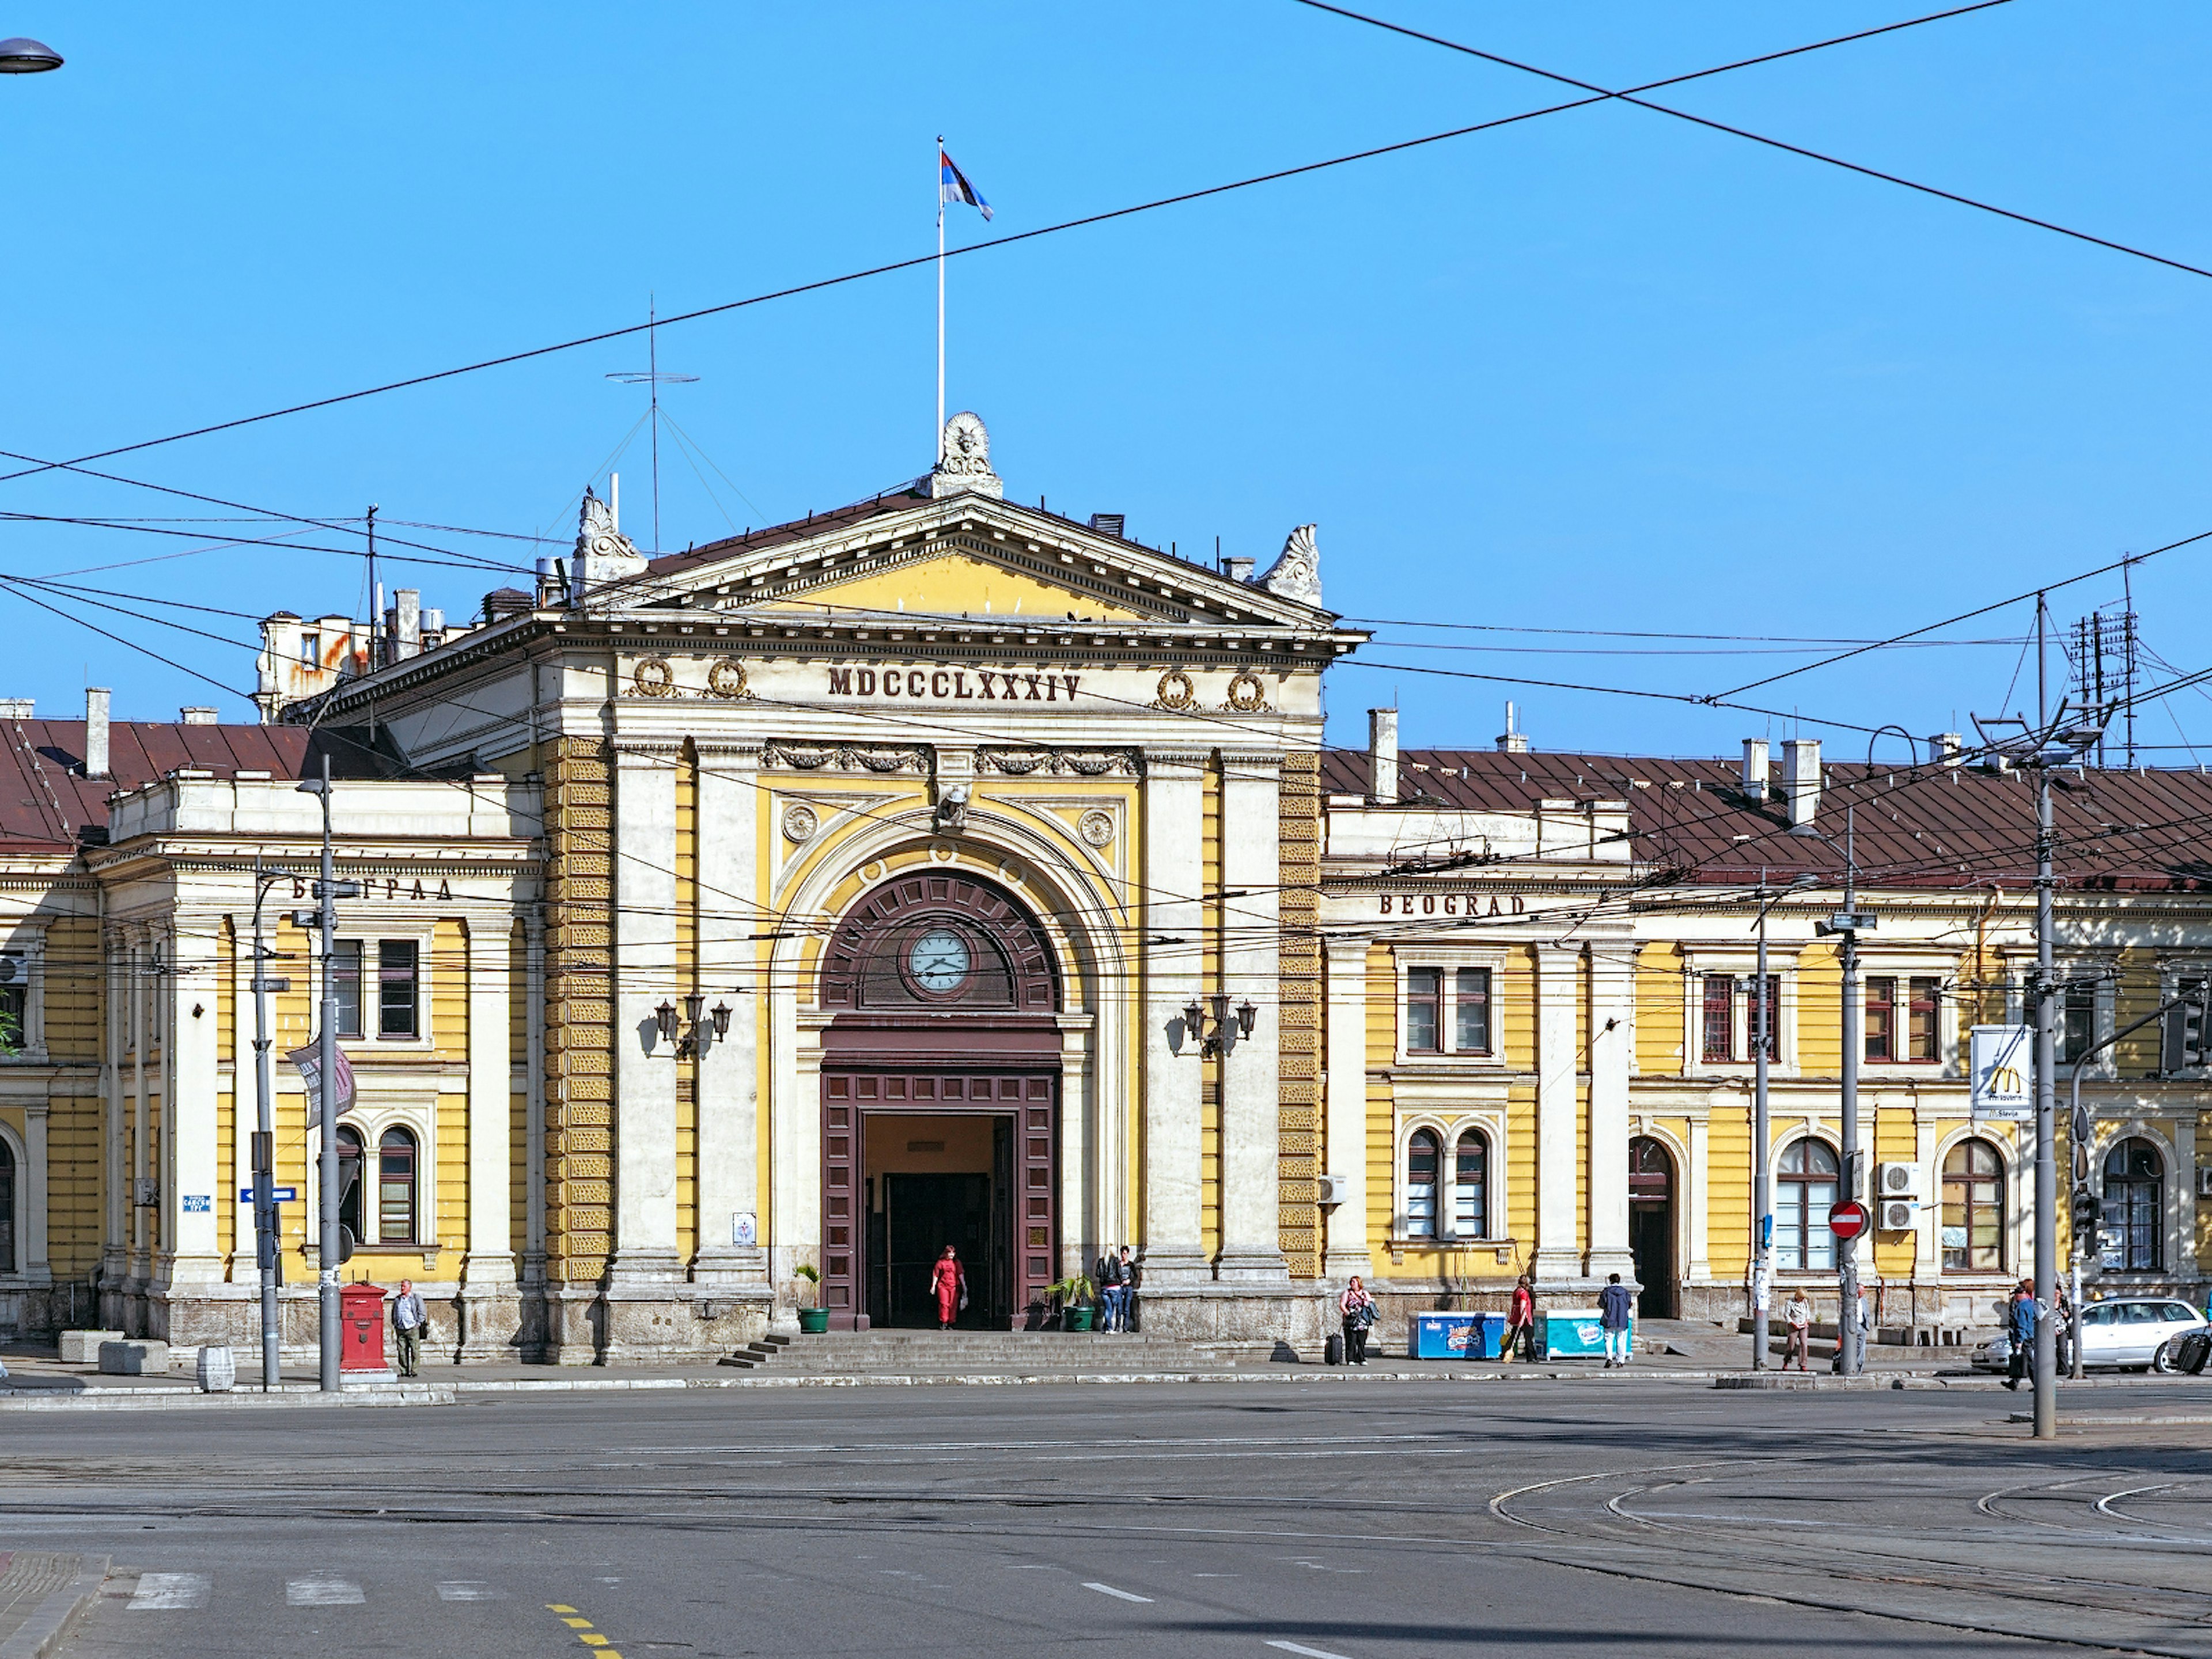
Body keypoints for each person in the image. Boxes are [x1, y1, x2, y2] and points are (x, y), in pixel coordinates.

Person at [2005, 1278, 2038, 1391]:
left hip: (2025, 1338)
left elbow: (2021, 1325)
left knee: (2028, 1361)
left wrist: (2019, 1340)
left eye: (2016, 1295)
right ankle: (2014, 1382)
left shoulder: (2021, 1307)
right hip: (2032, 1335)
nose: (2014, 1298)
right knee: (2022, 1360)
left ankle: (2037, 1384)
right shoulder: (2031, 1304)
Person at [1599, 1272, 1635, 1369]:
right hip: (1622, 1319)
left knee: (1608, 1339)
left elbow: (1601, 1304)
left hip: (1609, 1318)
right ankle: (1620, 1361)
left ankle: (1609, 1358)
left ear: (1610, 1281)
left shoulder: (1606, 1292)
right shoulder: (1625, 1292)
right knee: (1621, 1340)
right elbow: (1629, 1305)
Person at [392, 1278, 426, 1378]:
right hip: (401, 1327)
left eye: (404, 1286)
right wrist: (395, 1323)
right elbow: (394, 1312)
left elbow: (422, 1311)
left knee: (415, 1350)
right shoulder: (397, 1300)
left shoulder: (416, 1298)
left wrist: (419, 1323)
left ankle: (414, 1371)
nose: (402, 1288)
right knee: (402, 1351)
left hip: (412, 1327)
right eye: (401, 1286)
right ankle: (404, 1371)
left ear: (410, 1287)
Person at [1339, 1275, 1375, 1366]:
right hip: (1351, 1320)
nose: (1352, 1284)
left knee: (1362, 1341)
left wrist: (1367, 1303)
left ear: (1359, 1283)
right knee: (1351, 1340)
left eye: (1354, 1282)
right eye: (1351, 1282)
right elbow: (1342, 1304)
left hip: (1363, 1321)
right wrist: (1347, 1313)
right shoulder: (1347, 1293)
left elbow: (1371, 1303)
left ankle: (1361, 1358)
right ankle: (1350, 1359)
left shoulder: (1365, 1293)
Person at [930, 1245, 967, 1331]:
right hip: (943, 1286)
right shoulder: (940, 1263)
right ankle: (944, 1321)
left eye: (953, 1253)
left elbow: (961, 1274)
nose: (952, 1255)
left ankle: (951, 1322)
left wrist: (964, 1286)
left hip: (954, 1286)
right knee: (944, 1303)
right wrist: (933, 1286)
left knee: (953, 1304)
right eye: (950, 1253)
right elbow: (936, 1274)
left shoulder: (957, 1263)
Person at [1503, 1275, 1536, 1362]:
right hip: (1525, 1318)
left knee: (1514, 1336)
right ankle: (1531, 1357)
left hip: (1516, 1316)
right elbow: (1523, 1306)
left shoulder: (1516, 1291)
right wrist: (1522, 1319)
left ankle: (1504, 1353)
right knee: (1528, 1338)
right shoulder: (1524, 1293)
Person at [1097, 1247, 1128, 1333]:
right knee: (1110, 1309)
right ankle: (1109, 1328)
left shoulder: (1101, 1261)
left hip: (1104, 1288)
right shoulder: (1116, 1260)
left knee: (1108, 1309)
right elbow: (1119, 1273)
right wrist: (1122, 1280)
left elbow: (1098, 1273)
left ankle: (1105, 1327)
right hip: (1114, 1287)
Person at [1781, 1290, 1813, 1372]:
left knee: (1804, 1345)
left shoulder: (1805, 1303)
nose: (1803, 1299)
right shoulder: (1790, 1303)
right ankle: (1786, 1361)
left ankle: (1803, 1364)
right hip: (1793, 1326)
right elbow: (1786, 1315)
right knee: (1791, 1346)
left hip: (1803, 1326)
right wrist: (1793, 1323)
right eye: (1801, 1298)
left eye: (1804, 1298)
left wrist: (1807, 1321)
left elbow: (1808, 1313)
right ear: (1797, 1296)